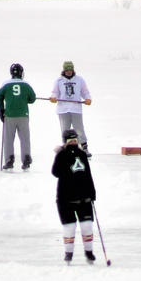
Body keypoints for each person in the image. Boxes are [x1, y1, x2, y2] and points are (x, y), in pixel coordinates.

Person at [51, 128, 97, 264]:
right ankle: (68, 253)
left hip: (84, 198)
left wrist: (92, 193)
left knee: (87, 225)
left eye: (75, 141)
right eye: (70, 141)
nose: (73, 143)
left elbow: (88, 175)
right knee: (69, 227)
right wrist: (59, 154)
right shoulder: (61, 155)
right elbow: (55, 172)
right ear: (65, 142)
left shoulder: (82, 155)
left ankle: (89, 252)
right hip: (66, 199)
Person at [0, 63, 36, 171]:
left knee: (8, 139)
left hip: (10, 115)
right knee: (25, 139)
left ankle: (9, 161)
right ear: (21, 73)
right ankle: (26, 159)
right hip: (23, 115)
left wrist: (1, 110)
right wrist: (24, 98)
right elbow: (32, 98)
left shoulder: (6, 84)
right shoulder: (26, 84)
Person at [49, 61, 93, 157]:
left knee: (79, 129)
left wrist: (88, 99)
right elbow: (55, 93)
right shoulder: (59, 81)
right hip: (63, 109)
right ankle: (66, 148)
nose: (68, 72)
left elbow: (85, 91)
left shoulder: (79, 80)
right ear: (63, 70)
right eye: (66, 70)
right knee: (65, 130)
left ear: (73, 70)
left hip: (76, 109)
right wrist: (53, 98)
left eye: (70, 70)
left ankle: (84, 147)